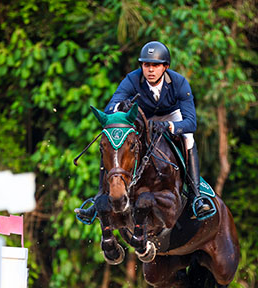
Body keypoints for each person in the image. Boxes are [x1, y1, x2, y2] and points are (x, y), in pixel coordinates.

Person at [75, 41, 215, 224]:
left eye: (155, 65)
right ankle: (100, 196)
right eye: (146, 65)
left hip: (171, 116)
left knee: (188, 138)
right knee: (113, 140)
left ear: (165, 67)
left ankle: (196, 195)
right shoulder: (132, 80)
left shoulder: (179, 82)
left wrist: (170, 127)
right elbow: (111, 106)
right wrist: (120, 108)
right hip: (143, 118)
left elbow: (191, 123)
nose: (150, 70)